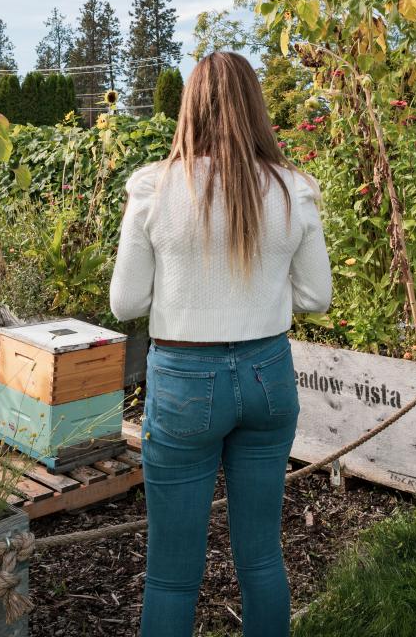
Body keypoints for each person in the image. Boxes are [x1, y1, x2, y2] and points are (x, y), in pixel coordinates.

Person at [109, 51, 332, 637]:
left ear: (191, 105)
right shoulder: (292, 188)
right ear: (256, 105)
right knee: (261, 557)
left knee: (171, 576)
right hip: (268, 372)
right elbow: (316, 296)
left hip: (184, 379)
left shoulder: (155, 186)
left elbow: (126, 303)